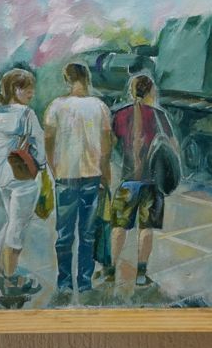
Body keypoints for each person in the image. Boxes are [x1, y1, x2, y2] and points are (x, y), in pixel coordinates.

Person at [44, 62, 112, 295]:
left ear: (67, 79)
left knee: (64, 235)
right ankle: (84, 282)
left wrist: (54, 168)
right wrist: (106, 173)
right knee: (88, 234)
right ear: (87, 78)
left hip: (65, 176)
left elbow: (48, 140)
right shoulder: (100, 107)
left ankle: (64, 282)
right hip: (92, 176)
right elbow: (106, 146)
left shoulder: (56, 106)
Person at [105, 74, 175, 286]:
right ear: (151, 91)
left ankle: (111, 270)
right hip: (152, 181)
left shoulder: (120, 114)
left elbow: (110, 145)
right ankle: (142, 274)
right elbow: (172, 146)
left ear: (131, 90)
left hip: (127, 180)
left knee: (119, 227)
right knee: (146, 228)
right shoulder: (159, 116)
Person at [0, 68, 46, 296]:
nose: (32, 92)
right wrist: (42, 166)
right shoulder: (26, 114)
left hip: (3, 174)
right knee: (18, 227)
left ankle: (0, 273)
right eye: (27, 88)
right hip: (23, 175)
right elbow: (40, 145)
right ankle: (10, 280)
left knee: (10, 221)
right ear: (14, 89)